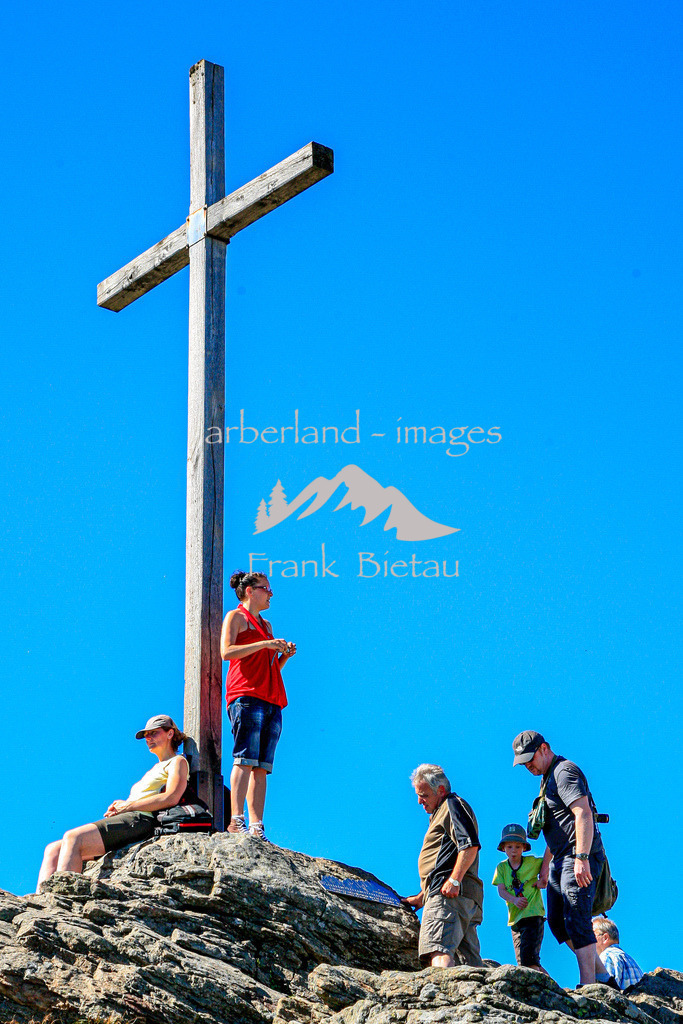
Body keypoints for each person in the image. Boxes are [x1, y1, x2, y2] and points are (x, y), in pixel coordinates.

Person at [37, 715, 189, 889]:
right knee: (53, 849)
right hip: (130, 816)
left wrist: (128, 806)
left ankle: (62, 895)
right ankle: (40, 902)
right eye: (146, 735)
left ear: (170, 734)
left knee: (74, 837)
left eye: (154, 733)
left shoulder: (177, 761)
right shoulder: (154, 768)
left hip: (141, 820)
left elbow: (171, 797)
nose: (148, 738)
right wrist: (123, 805)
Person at [513, 730, 605, 986]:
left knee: (577, 916)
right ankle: (604, 976)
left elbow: (583, 814)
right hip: (559, 859)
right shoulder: (547, 778)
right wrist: (545, 867)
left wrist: (582, 857)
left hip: (577, 856)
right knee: (556, 921)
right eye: (523, 763)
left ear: (545, 748)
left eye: (530, 759)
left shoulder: (563, 772)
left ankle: (589, 985)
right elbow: (559, 826)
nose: (528, 766)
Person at [220, 571, 296, 841]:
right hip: (245, 694)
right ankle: (235, 820)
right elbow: (226, 651)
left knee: (262, 765)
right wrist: (265, 643)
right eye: (266, 588)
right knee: (244, 758)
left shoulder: (267, 625)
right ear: (250, 591)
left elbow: (270, 666)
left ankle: (256, 825)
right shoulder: (236, 617)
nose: (271, 593)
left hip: (271, 697)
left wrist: (282, 655)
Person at [402, 764, 484, 967]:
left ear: (440, 790)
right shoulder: (442, 810)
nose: (420, 801)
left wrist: (454, 880)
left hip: (449, 895)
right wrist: (423, 896)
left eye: (424, 795)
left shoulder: (451, 805)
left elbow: (469, 846)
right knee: (469, 966)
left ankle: (442, 997)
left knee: (438, 949)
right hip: (458, 895)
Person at [492, 823, 549, 975]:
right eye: (509, 847)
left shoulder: (532, 862)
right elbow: (501, 891)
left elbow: (548, 861)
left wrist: (544, 878)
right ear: (503, 848)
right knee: (524, 962)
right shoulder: (502, 868)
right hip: (515, 920)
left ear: (524, 847)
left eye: (517, 847)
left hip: (533, 915)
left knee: (529, 959)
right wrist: (514, 900)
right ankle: (552, 988)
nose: (513, 851)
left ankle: (547, 990)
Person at [593, 918, 644, 990]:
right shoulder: (629, 959)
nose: (588, 940)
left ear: (605, 938)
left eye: (591, 934)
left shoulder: (606, 956)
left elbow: (604, 991)